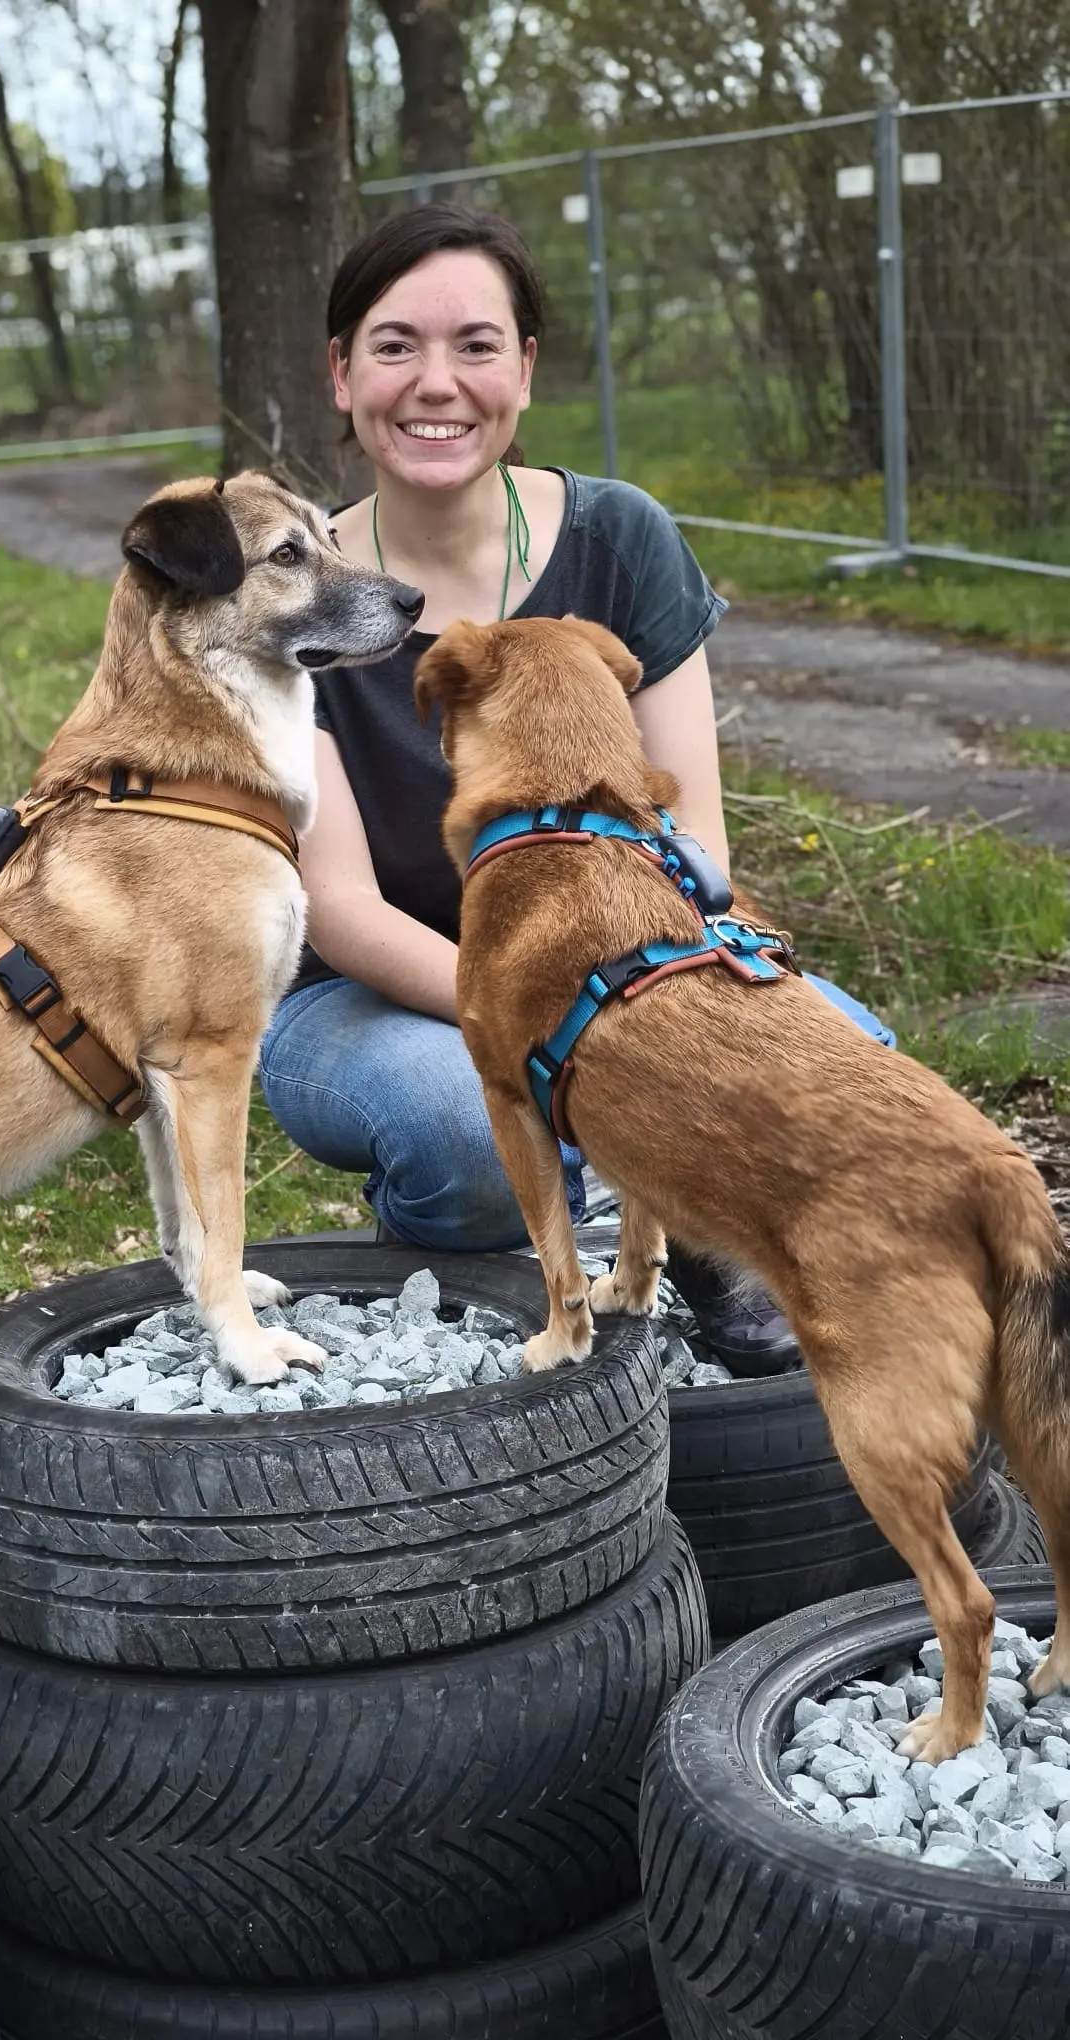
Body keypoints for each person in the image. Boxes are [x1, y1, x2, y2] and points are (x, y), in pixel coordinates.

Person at [257, 205, 896, 1373]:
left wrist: (650, 1017)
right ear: (341, 375)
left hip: (625, 952)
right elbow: (340, 910)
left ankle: (683, 1227)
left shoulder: (623, 538)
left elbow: (689, 834)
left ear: (527, 369)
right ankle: (458, 1249)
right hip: (372, 999)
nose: (436, 383)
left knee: (851, 1058)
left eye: (477, 345)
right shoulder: (294, 596)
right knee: (460, 1125)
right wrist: (567, 1032)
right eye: (395, 346)